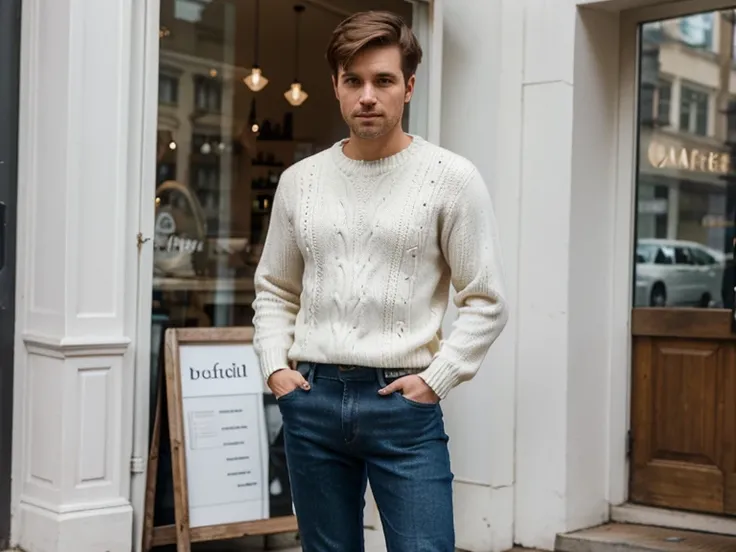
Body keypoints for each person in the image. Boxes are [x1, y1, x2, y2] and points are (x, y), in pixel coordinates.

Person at [252, 10, 508, 551]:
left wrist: (435, 380)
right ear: (337, 88)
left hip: (403, 407)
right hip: (312, 400)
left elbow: (485, 300)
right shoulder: (299, 182)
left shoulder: (451, 179)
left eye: (384, 80)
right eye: (354, 81)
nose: (368, 95)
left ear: (408, 87)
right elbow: (275, 288)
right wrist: (276, 368)